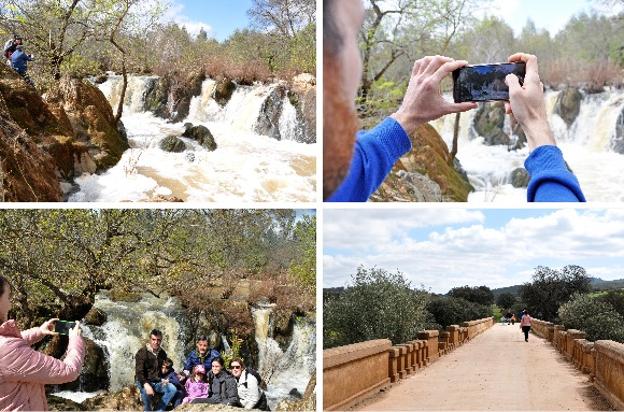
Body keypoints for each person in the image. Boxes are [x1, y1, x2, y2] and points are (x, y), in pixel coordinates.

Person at [323, 0, 585, 203]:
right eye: (353, 35)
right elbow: (561, 206)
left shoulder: (329, 178)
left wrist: (407, 116)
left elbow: (350, 172)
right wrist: (537, 125)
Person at [0, 275, 85, 411]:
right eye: (8, 297)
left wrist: (39, 331)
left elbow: (7, 347)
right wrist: (75, 338)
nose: (10, 304)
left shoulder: (6, 347)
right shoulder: (9, 350)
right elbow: (69, 371)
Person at [135, 329, 178, 411]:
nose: (156, 342)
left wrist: (168, 377)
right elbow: (139, 372)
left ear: (161, 341)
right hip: (144, 380)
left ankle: (159, 410)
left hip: (157, 381)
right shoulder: (142, 353)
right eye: (153, 339)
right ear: (150, 339)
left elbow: (167, 366)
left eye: (158, 340)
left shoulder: (162, 353)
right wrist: (146, 384)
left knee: (172, 389)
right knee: (145, 392)